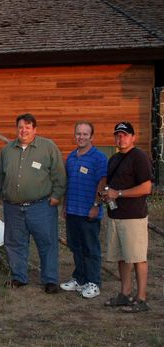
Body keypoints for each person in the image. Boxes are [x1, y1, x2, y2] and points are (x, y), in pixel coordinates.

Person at [0, 113, 66, 294]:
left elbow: (59, 173)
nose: (23, 130)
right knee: (15, 243)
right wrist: (2, 194)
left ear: (35, 129)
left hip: (41, 206)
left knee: (47, 242)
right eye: (20, 127)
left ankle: (50, 279)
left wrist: (57, 195)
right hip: (13, 208)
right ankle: (19, 276)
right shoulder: (7, 150)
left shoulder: (48, 147)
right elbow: (0, 176)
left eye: (28, 127)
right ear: (16, 129)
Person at [100, 122, 152, 312]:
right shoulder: (113, 158)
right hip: (115, 215)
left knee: (138, 257)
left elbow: (147, 188)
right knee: (122, 256)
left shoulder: (139, 157)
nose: (120, 138)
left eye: (124, 135)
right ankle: (125, 293)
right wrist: (107, 194)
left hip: (133, 216)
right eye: (118, 135)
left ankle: (142, 298)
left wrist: (119, 194)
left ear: (133, 137)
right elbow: (112, 185)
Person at [60, 122, 107, 299]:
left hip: (89, 212)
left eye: (85, 134)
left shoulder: (99, 157)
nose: (81, 137)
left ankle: (94, 282)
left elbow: (102, 183)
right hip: (73, 211)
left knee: (91, 248)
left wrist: (96, 205)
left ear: (92, 137)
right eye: (78, 134)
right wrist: (65, 206)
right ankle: (79, 279)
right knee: (76, 247)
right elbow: (68, 184)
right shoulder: (71, 157)